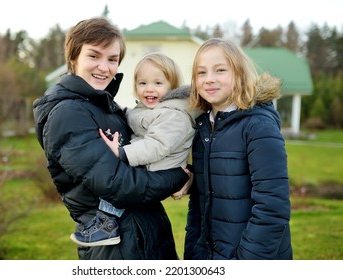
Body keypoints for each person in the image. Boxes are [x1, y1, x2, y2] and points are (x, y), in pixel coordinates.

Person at [32, 17, 190, 260]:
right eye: (94, 56)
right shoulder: (68, 113)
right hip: (116, 248)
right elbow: (119, 185)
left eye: (112, 59)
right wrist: (179, 176)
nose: (104, 67)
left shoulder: (103, 106)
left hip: (143, 237)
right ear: (73, 58)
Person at [184, 38, 292, 260]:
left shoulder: (258, 126)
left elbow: (272, 207)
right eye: (201, 73)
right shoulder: (204, 127)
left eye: (220, 70)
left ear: (240, 74)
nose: (209, 79)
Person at [94, 53, 202, 245]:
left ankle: (106, 225)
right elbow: (137, 119)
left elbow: (156, 145)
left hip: (158, 168)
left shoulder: (174, 115)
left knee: (120, 186)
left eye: (158, 83)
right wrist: (121, 111)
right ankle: (106, 221)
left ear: (173, 88)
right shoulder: (152, 109)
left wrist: (123, 153)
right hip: (151, 165)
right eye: (142, 83)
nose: (149, 89)